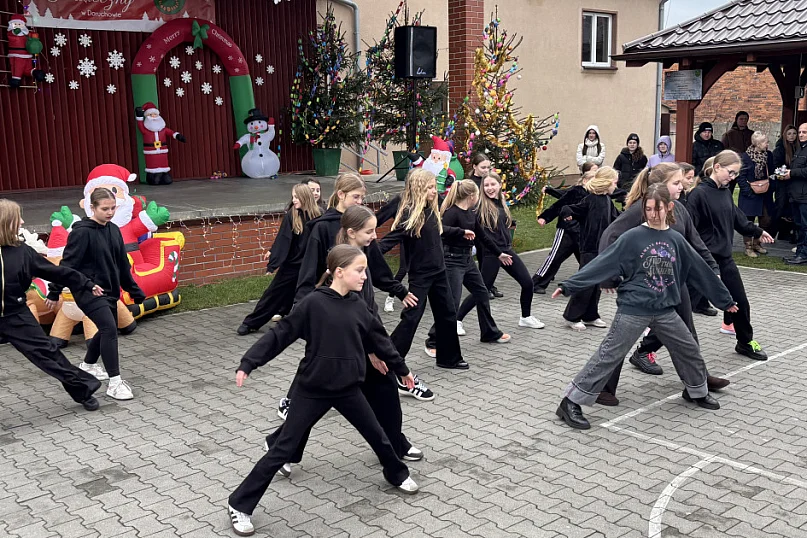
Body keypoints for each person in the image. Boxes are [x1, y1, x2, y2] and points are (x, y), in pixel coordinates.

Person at [227, 245, 419, 537]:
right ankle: (239, 504)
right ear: (339, 272)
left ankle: (397, 474)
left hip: (348, 389)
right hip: (312, 389)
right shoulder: (313, 304)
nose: (365, 276)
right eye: (359, 270)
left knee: (378, 436)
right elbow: (281, 334)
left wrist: (403, 371)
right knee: (282, 448)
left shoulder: (359, 307)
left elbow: (382, 343)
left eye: (365, 270)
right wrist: (249, 362)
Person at [553, 184, 739, 430]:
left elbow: (699, 271)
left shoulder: (675, 239)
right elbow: (602, 263)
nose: (652, 214)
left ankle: (696, 391)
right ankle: (570, 403)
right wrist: (570, 285)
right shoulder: (633, 237)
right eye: (648, 209)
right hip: (634, 309)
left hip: (664, 310)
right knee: (609, 355)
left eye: (657, 209)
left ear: (669, 207)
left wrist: (725, 301)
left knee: (688, 349)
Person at [595, 163, 730, 406]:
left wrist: (713, 269)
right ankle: (603, 387)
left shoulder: (678, 209)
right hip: (643, 291)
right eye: (677, 182)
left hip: (675, 287)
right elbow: (610, 236)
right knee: (620, 340)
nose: (683, 186)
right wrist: (609, 276)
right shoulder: (641, 210)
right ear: (660, 185)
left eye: (682, 182)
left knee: (687, 336)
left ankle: (697, 384)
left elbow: (695, 243)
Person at [0, 200, 105, 412]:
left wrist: (85, 282)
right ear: (5, 222)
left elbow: (57, 272)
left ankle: (83, 389)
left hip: (15, 315)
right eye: (17, 218)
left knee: (48, 354)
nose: (22, 221)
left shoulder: (23, 252)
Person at [46, 188, 146, 401]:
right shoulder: (81, 232)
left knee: (104, 328)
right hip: (86, 291)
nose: (109, 212)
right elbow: (67, 265)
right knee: (110, 328)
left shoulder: (114, 230)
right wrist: (54, 292)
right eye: (104, 209)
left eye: (112, 208)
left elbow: (121, 265)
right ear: (92, 208)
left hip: (109, 290)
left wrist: (135, 290)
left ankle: (88, 365)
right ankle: (115, 382)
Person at [687, 151, 775, 359]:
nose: (733, 177)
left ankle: (744, 342)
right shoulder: (698, 194)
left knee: (740, 302)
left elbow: (738, 219)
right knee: (681, 308)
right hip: (702, 261)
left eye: (736, 174)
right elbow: (689, 231)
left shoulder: (725, 192)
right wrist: (701, 258)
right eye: (730, 172)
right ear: (717, 168)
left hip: (724, 259)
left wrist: (758, 231)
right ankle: (646, 349)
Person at [379, 169, 468, 370]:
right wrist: (366, 254)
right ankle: (390, 360)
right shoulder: (410, 215)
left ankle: (449, 358)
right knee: (411, 318)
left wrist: (461, 233)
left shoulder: (432, 209)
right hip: (421, 276)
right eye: (429, 187)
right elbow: (387, 242)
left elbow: (440, 234)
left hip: (440, 272)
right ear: (419, 189)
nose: (434, 190)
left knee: (447, 314)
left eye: (434, 185)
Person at [423, 179, 512, 352]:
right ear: (472, 196)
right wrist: (461, 232)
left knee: (481, 292)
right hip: (452, 261)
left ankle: (489, 332)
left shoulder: (471, 212)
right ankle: (433, 341)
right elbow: (441, 230)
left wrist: (499, 254)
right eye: (478, 194)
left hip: (467, 262)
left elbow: (483, 236)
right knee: (452, 303)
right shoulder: (452, 212)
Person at [457, 172, 544, 329]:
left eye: (493, 184)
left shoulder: (500, 202)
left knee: (527, 283)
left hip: (506, 251)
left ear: (499, 185)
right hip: (492, 254)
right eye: (486, 185)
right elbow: (480, 232)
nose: (490, 188)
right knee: (482, 290)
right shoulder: (480, 207)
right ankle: (457, 320)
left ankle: (526, 317)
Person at [237, 183, 321, 335]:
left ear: (304, 197)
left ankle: (306, 325)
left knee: (310, 295)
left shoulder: (319, 215)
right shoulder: (292, 215)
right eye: (293, 197)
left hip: (311, 265)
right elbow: (283, 239)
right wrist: (273, 261)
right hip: (292, 265)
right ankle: (251, 323)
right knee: (273, 294)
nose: (294, 200)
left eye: (296, 197)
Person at [559, 167, 620, 331]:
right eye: (614, 182)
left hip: (602, 248)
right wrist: (568, 217)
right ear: (606, 182)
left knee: (597, 283)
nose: (616, 185)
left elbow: (618, 218)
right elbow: (570, 209)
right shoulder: (591, 199)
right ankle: (572, 316)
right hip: (589, 248)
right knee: (585, 283)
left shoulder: (607, 200)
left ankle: (590, 315)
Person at [294, 173, 366, 302]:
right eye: (356, 197)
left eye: (362, 197)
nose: (360, 202)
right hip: (331, 296)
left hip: (360, 297)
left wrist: (399, 291)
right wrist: (301, 302)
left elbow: (376, 262)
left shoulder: (361, 224)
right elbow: (310, 266)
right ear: (341, 195)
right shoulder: (323, 226)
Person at [531, 171, 592, 294]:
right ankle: (536, 283)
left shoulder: (594, 195)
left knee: (587, 259)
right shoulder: (576, 191)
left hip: (582, 233)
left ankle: (591, 283)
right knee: (555, 257)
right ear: (585, 181)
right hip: (567, 230)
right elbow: (560, 204)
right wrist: (545, 217)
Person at [737, 131, 776, 257]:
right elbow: (741, 177)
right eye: (765, 141)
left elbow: (772, 172)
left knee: (766, 220)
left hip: (765, 194)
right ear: (758, 143)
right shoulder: (745, 157)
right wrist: (749, 192)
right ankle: (748, 246)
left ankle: (757, 244)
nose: (767, 144)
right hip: (749, 195)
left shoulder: (768, 155)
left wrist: (771, 187)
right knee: (748, 221)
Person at [782, 123, 807, 265]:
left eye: (804, 132)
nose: (801, 134)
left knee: (805, 226)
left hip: (805, 196)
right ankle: (799, 252)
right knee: (798, 225)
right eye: (800, 132)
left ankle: (803, 254)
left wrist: (792, 173)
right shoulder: (799, 149)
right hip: (795, 194)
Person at [772, 124, 797, 244]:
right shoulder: (780, 149)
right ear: (785, 135)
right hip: (782, 183)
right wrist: (784, 174)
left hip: (794, 183)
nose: (792, 136)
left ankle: (786, 233)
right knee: (780, 206)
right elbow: (775, 166)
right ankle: (771, 233)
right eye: (789, 134)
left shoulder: (799, 148)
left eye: (794, 133)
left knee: (791, 209)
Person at [722, 111, 753, 192]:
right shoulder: (729, 135)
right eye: (741, 119)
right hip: (733, 164)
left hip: (748, 165)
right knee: (729, 188)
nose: (744, 121)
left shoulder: (751, 134)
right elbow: (724, 150)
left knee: (747, 188)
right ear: (736, 120)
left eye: (746, 119)